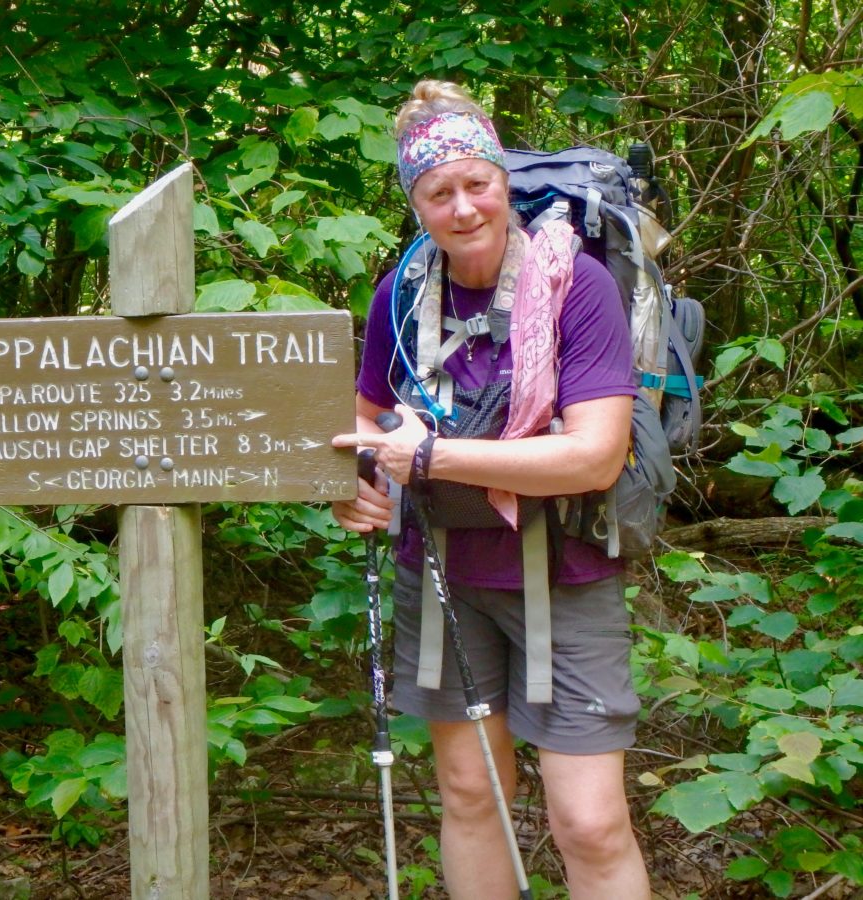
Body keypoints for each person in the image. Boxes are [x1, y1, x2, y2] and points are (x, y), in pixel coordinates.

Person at [331, 80, 652, 899]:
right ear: (416, 204)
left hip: (564, 570)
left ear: (504, 182)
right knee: (474, 797)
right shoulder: (400, 298)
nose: (464, 207)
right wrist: (354, 489)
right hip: (443, 575)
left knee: (588, 820)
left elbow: (593, 457)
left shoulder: (578, 286)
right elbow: (365, 434)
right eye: (440, 192)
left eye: (479, 183)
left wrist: (431, 458)